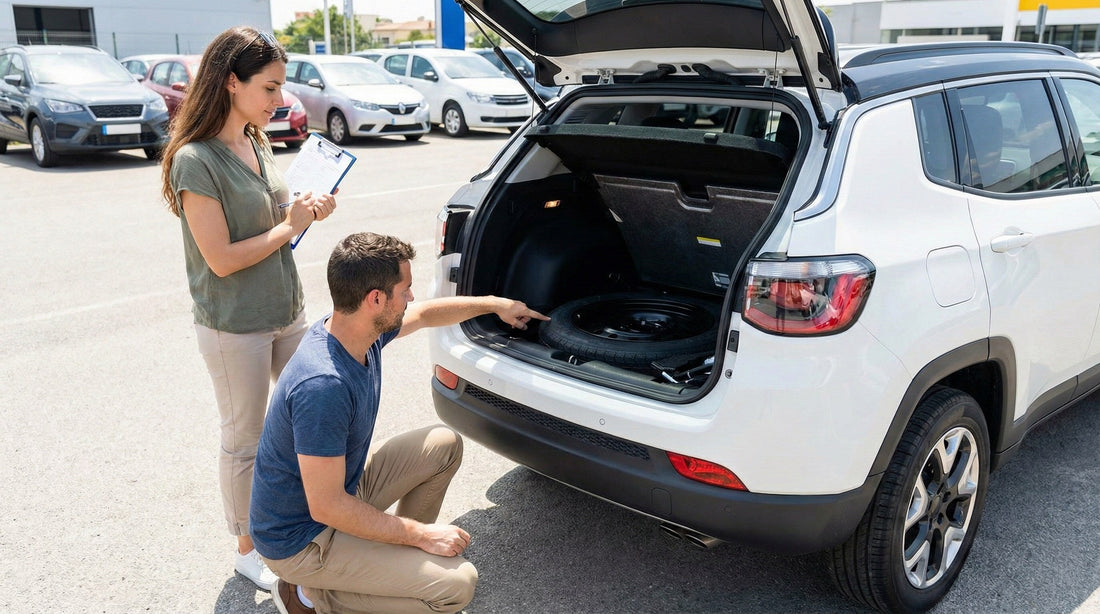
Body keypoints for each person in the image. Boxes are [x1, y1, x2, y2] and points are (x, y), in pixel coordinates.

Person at [250, 232, 549, 614]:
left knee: (441, 444)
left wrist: (495, 305)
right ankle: (312, 596)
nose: (410, 298)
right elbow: (326, 506)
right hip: (301, 540)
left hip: (335, 497)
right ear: (375, 299)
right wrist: (421, 535)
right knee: (456, 586)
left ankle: (382, 567)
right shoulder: (323, 386)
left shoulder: (354, 330)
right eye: (404, 289)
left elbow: (425, 314)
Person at [159, 26, 337, 591]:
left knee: (308, 419)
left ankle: (307, 524)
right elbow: (220, 260)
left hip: (287, 308)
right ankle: (246, 547)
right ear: (230, 82)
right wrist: (290, 226)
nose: (280, 99)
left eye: (281, 87)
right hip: (234, 323)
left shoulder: (259, 142)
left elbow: (280, 217)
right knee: (246, 439)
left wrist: (307, 206)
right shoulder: (195, 160)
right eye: (269, 87)